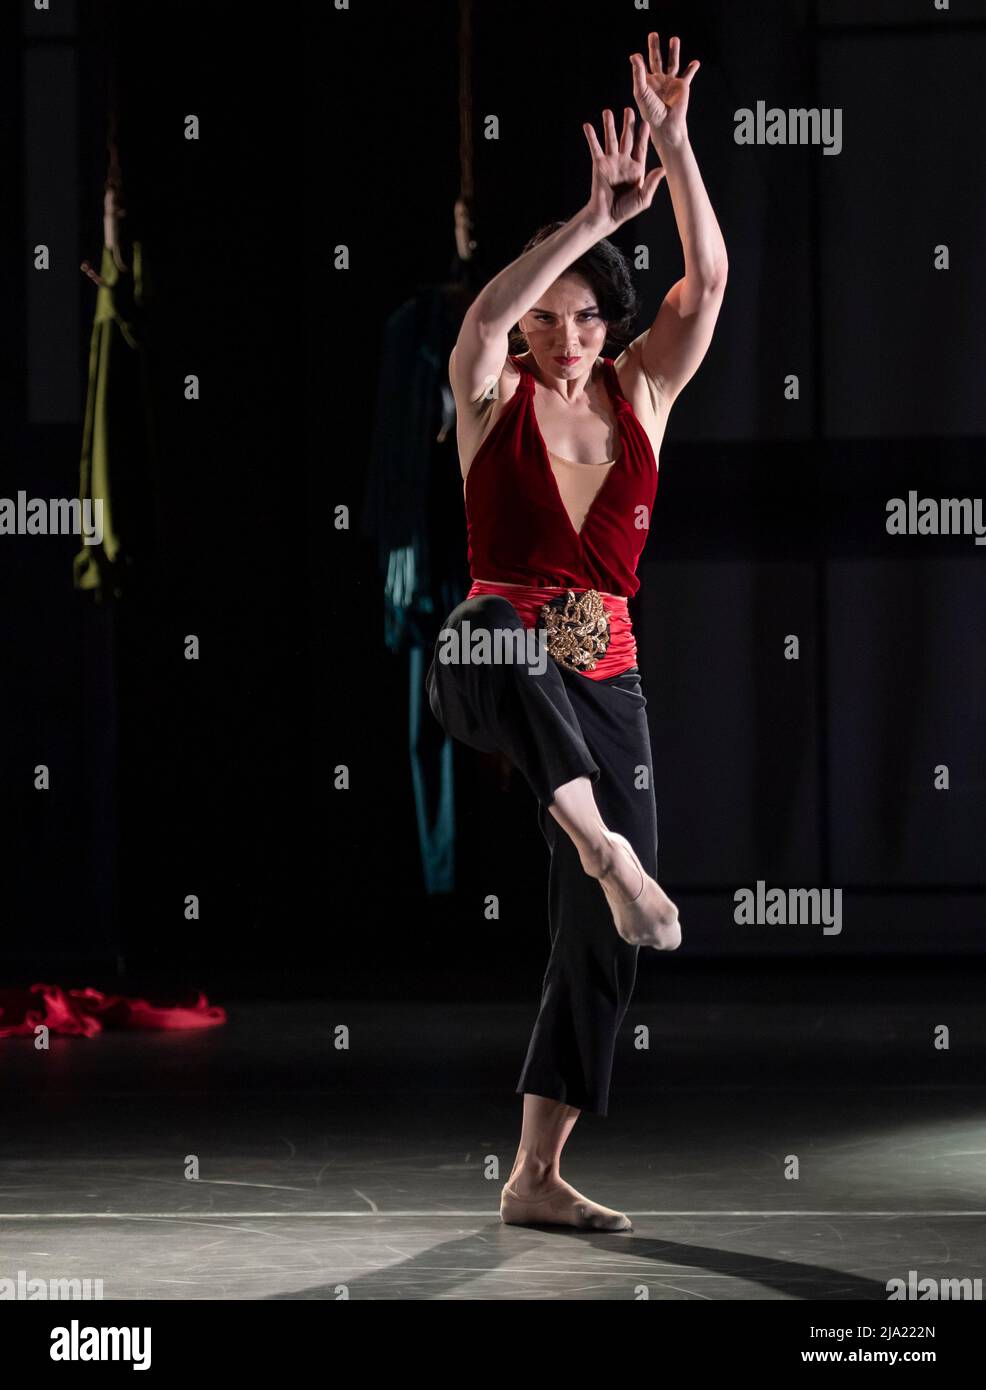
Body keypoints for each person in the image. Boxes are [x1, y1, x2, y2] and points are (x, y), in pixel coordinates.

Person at [425, 33, 727, 1231]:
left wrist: (672, 142)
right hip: (486, 658)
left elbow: (702, 283)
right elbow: (488, 310)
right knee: (496, 642)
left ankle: (532, 1175)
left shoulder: (641, 392)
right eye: (545, 319)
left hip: (604, 682)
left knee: (602, 948)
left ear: (606, 324)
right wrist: (583, 218)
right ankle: (606, 857)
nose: (562, 332)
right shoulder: (484, 391)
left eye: (583, 316)